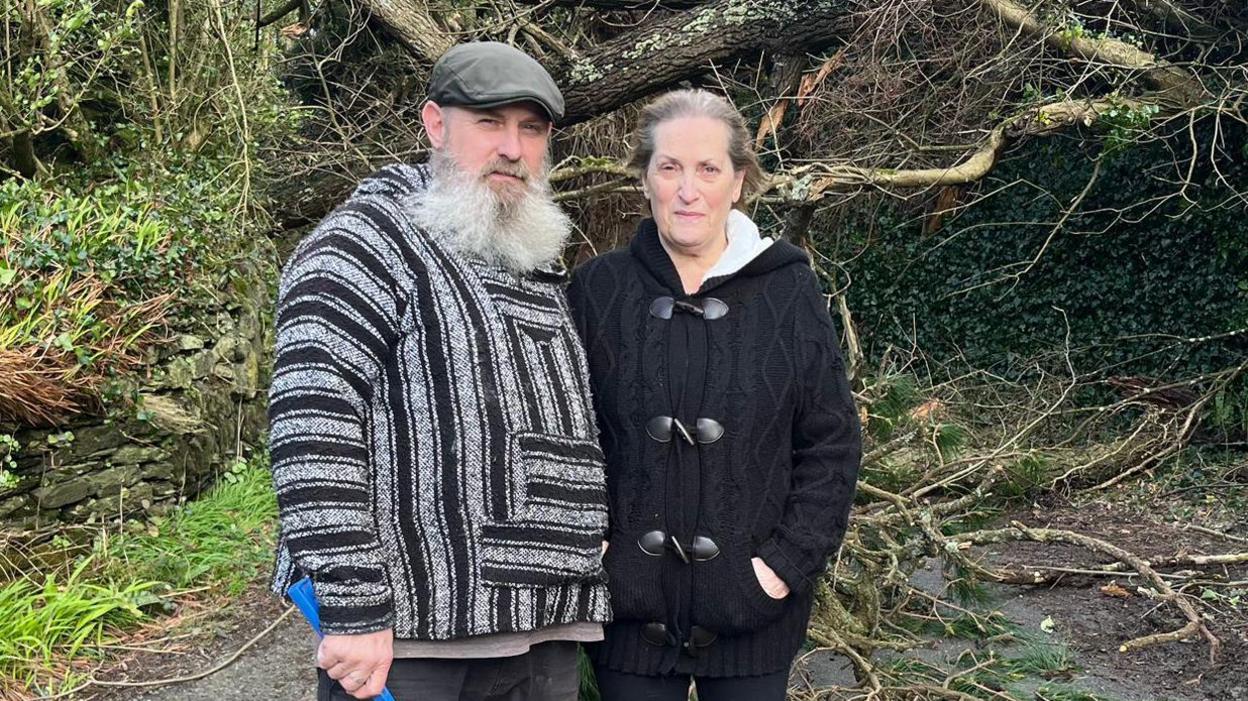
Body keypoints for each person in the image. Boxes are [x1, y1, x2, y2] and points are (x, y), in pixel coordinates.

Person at [268, 42, 610, 701]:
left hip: (544, 632)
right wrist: (353, 607)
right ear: (434, 124)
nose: (512, 147)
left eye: (531, 128)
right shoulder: (365, 243)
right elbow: (312, 425)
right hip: (411, 646)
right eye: (489, 122)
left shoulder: (529, 260)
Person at [566, 89, 862, 701]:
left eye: (708, 169)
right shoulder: (597, 290)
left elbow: (831, 443)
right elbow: (565, 431)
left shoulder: (789, 292)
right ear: (644, 179)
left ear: (740, 182)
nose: (687, 189)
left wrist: (781, 569)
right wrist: (600, 553)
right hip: (628, 615)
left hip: (754, 612)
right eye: (668, 167)